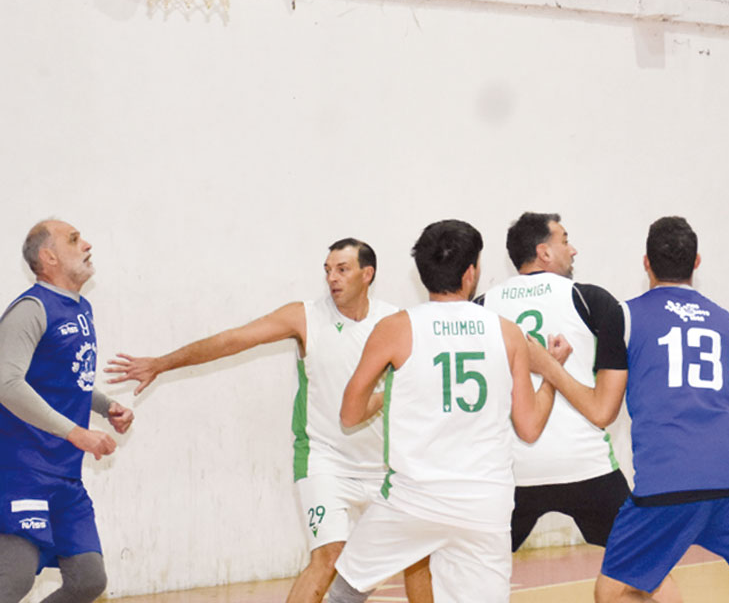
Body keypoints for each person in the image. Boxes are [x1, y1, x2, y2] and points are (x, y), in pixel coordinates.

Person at [104, 239, 431, 603]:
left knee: (417, 560)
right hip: (324, 461)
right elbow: (233, 340)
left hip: (383, 467)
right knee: (328, 557)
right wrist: (162, 363)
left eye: (342, 269)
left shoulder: (394, 321)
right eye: (327, 270)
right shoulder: (305, 316)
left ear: (367, 274)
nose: (332, 278)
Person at [533, 216, 729, 603]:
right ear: (697, 262)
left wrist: (549, 367)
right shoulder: (724, 321)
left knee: (612, 592)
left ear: (646, 263)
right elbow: (719, 389)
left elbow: (603, 411)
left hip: (671, 477)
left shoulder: (625, 316)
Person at [326, 219, 560, 603]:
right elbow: (530, 427)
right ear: (471, 273)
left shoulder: (395, 327)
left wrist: (394, 395)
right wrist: (552, 377)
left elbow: (350, 415)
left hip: (413, 501)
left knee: (344, 593)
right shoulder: (507, 332)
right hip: (484, 506)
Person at [478, 213, 635, 553]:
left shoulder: (482, 307)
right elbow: (604, 412)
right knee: (643, 565)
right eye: (565, 241)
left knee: (474, 577)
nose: (573, 250)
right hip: (584, 465)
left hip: (511, 470)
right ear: (544, 253)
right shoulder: (592, 300)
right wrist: (552, 367)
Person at [0, 220, 133, 603]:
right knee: (14, 579)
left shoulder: (81, 309)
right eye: (75, 239)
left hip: (65, 475)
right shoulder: (31, 309)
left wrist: (107, 407)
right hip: (21, 470)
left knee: (89, 580)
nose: (87, 244)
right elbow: (7, 384)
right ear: (49, 256)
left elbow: (66, 378)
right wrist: (76, 432)